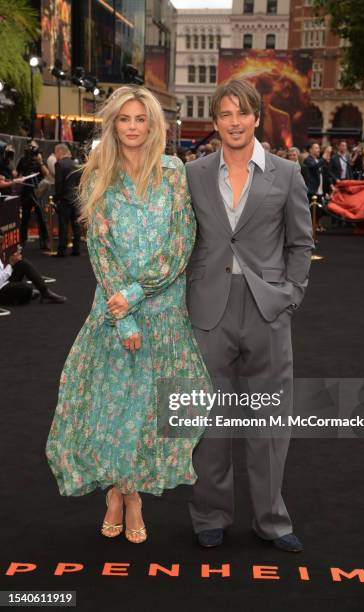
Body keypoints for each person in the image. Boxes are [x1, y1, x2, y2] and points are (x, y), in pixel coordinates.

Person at [45, 85, 211, 544]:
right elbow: (100, 249)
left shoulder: (175, 172)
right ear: (113, 124)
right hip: (116, 310)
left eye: (141, 119)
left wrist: (138, 292)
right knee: (114, 404)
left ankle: (132, 492)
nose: (133, 127)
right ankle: (119, 493)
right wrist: (123, 313)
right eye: (124, 119)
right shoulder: (97, 172)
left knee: (150, 408)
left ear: (153, 124)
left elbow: (181, 243)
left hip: (162, 307)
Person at [185, 79, 314, 551]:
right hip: (209, 309)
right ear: (215, 122)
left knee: (269, 423)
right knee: (209, 421)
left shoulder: (286, 173)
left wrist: (290, 295)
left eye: (243, 113)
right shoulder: (194, 173)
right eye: (225, 114)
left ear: (257, 117)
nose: (234, 122)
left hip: (267, 309)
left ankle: (272, 520)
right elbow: (186, 240)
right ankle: (210, 516)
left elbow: (301, 243)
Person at [0, 229, 66, 305]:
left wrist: (13, 262)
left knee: (22, 263)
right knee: (26, 288)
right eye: (0, 243)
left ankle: (45, 292)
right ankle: (18, 298)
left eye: (2, 243)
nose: (2, 247)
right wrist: (10, 264)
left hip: (3, 283)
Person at [16, 141, 50, 250]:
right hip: (26, 191)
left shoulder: (38, 160)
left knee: (41, 218)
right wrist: (20, 179)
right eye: (30, 147)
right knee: (25, 218)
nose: (32, 149)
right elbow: (17, 174)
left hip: (37, 192)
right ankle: (22, 241)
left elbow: (46, 173)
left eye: (34, 147)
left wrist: (40, 162)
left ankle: (44, 241)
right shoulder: (22, 159)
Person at [53, 143, 82, 256]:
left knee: (63, 225)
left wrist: (56, 198)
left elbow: (59, 184)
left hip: (64, 199)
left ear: (60, 151)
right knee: (76, 225)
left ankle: (62, 250)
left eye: (55, 152)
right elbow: (79, 183)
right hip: (75, 198)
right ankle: (76, 249)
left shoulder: (59, 164)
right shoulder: (76, 164)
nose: (55, 155)